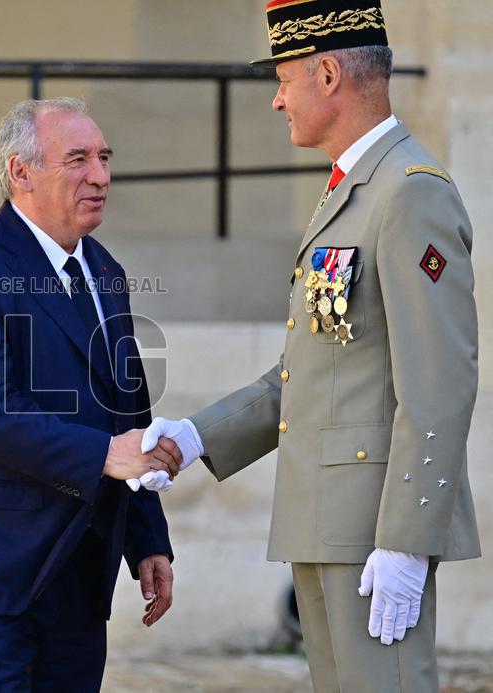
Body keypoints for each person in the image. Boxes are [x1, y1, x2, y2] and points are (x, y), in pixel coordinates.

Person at [143, 1, 481, 690]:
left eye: (285, 78)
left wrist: (407, 540)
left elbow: (439, 384)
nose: (276, 98)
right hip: (327, 522)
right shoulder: (351, 192)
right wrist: (196, 434)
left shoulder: (409, 194)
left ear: (328, 74)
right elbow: (309, 370)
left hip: (373, 530)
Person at [0, 97, 178, 692]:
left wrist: (147, 540)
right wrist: (104, 456)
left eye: (104, 158)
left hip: (76, 568)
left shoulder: (105, 270)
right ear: (20, 172)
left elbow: (128, 409)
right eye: (77, 159)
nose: (100, 176)